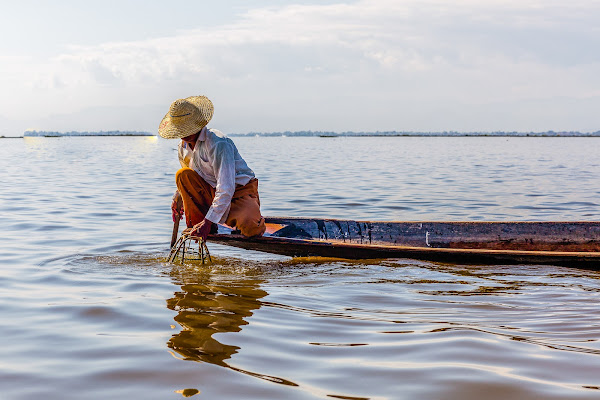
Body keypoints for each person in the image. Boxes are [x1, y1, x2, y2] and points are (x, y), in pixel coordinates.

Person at [158, 95, 266, 241]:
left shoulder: (218, 144)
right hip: (210, 191)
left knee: (251, 229)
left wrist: (208, 221)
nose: (183, 135)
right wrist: (177, 198)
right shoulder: (182, 148)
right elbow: (189, 180)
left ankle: (214, 221)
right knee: (182, 175)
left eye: (187, 128)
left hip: (238, 192)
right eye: (180, 130)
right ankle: (200, 224)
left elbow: (226, 187)